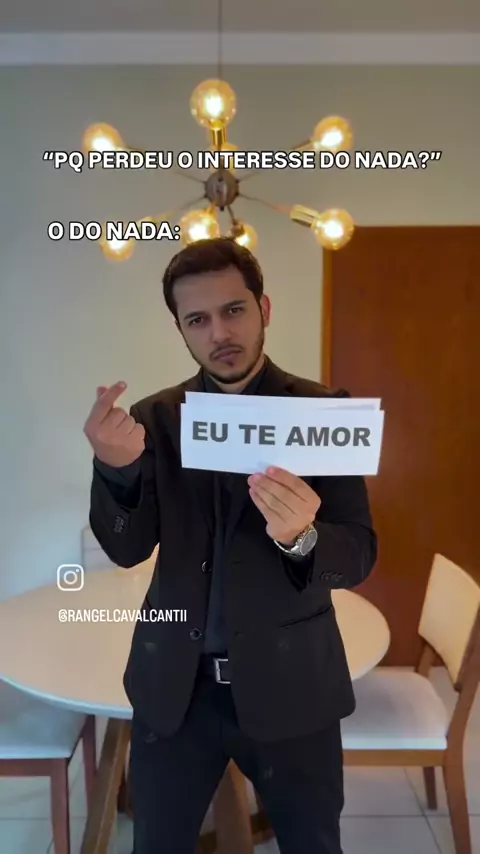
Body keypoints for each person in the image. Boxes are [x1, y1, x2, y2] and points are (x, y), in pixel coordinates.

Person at [84, 237, 378, 854]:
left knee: (313, 845)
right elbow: (126, 550)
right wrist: (116, 471)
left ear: (264, 309)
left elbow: (358, 555)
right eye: (198, 319)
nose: (219, 332)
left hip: (293, 686)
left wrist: (302, 538)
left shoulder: (324, 414)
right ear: (181, 330)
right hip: (176, 690)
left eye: (234, 310)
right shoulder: (154, 420)